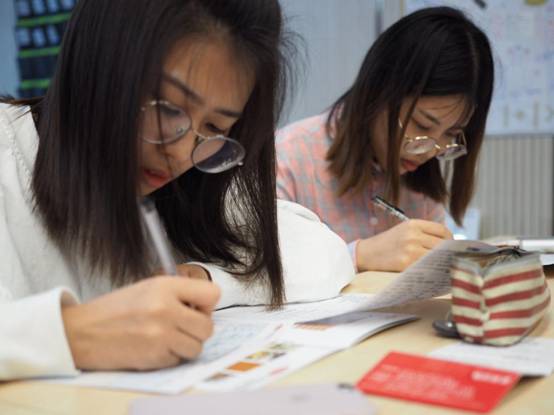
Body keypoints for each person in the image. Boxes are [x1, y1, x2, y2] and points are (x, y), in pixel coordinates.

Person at [0, 0, 354, 380]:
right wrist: (74, 334)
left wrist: (204, 279)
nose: (182, 154)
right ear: (100, 62)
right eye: (167, 109)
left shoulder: (192, 185)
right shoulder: (10, 155)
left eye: (216, 127)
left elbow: (323, 253)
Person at [276, 6, 494, 273]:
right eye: (422, 125)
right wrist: (358, 255)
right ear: (378, 92)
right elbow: (257, 276)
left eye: (451, 134)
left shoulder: (422, 182)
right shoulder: (289, 157)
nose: (431, 151)